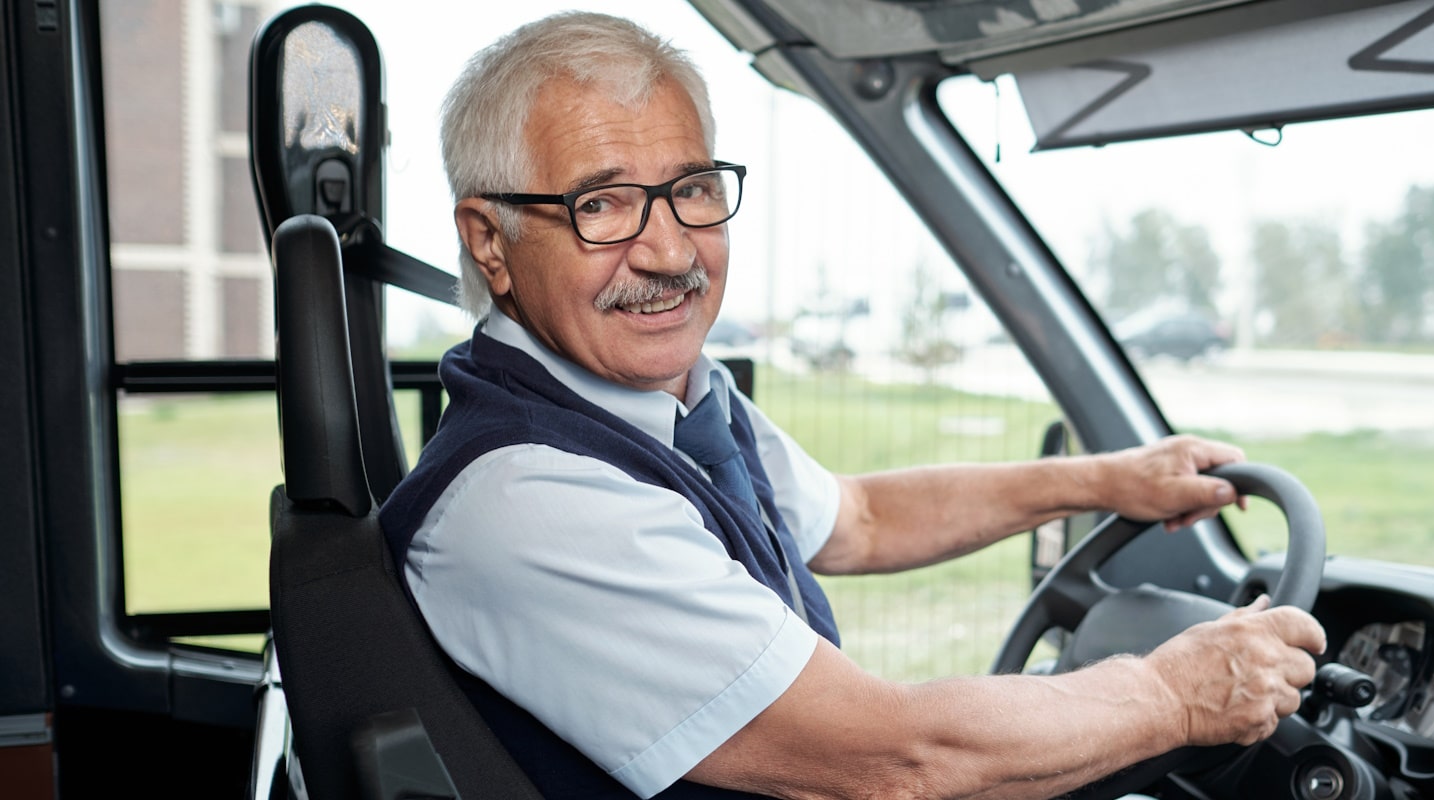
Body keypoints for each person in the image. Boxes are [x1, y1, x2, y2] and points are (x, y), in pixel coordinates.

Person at [378, 11, 1327, 800]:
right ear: (489, 242)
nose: (671, 253)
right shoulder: (534, 495)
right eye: (603, 205)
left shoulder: (666, 402)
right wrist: (1171, 693)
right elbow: (892, 758)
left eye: (692, 191)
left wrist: (1105, 479)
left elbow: (861, 519)